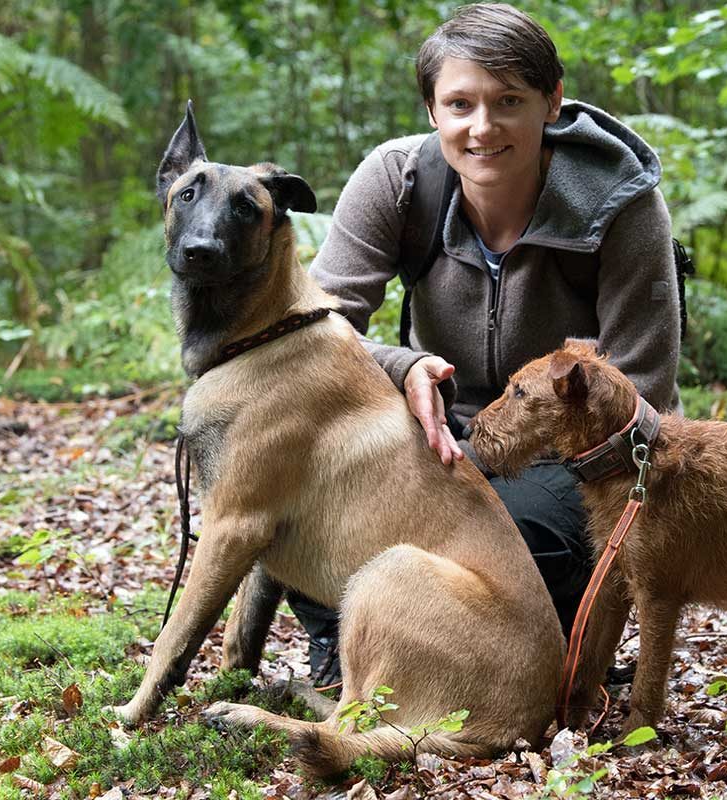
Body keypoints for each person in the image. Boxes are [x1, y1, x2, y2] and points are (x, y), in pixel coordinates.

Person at [290, 2, 681, 686]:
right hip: (437, 425)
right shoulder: (396, 181)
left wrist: (484, 461)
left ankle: (534, 648)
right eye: (460, 103)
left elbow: (640, 384)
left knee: (513, 547)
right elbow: (313, 326)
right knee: (285, 484)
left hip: (576, 455)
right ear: (432, 110)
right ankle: (341, 642)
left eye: (508, 102)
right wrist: (404, 364)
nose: (483, 127)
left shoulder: (619, 203)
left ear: (551, 101)